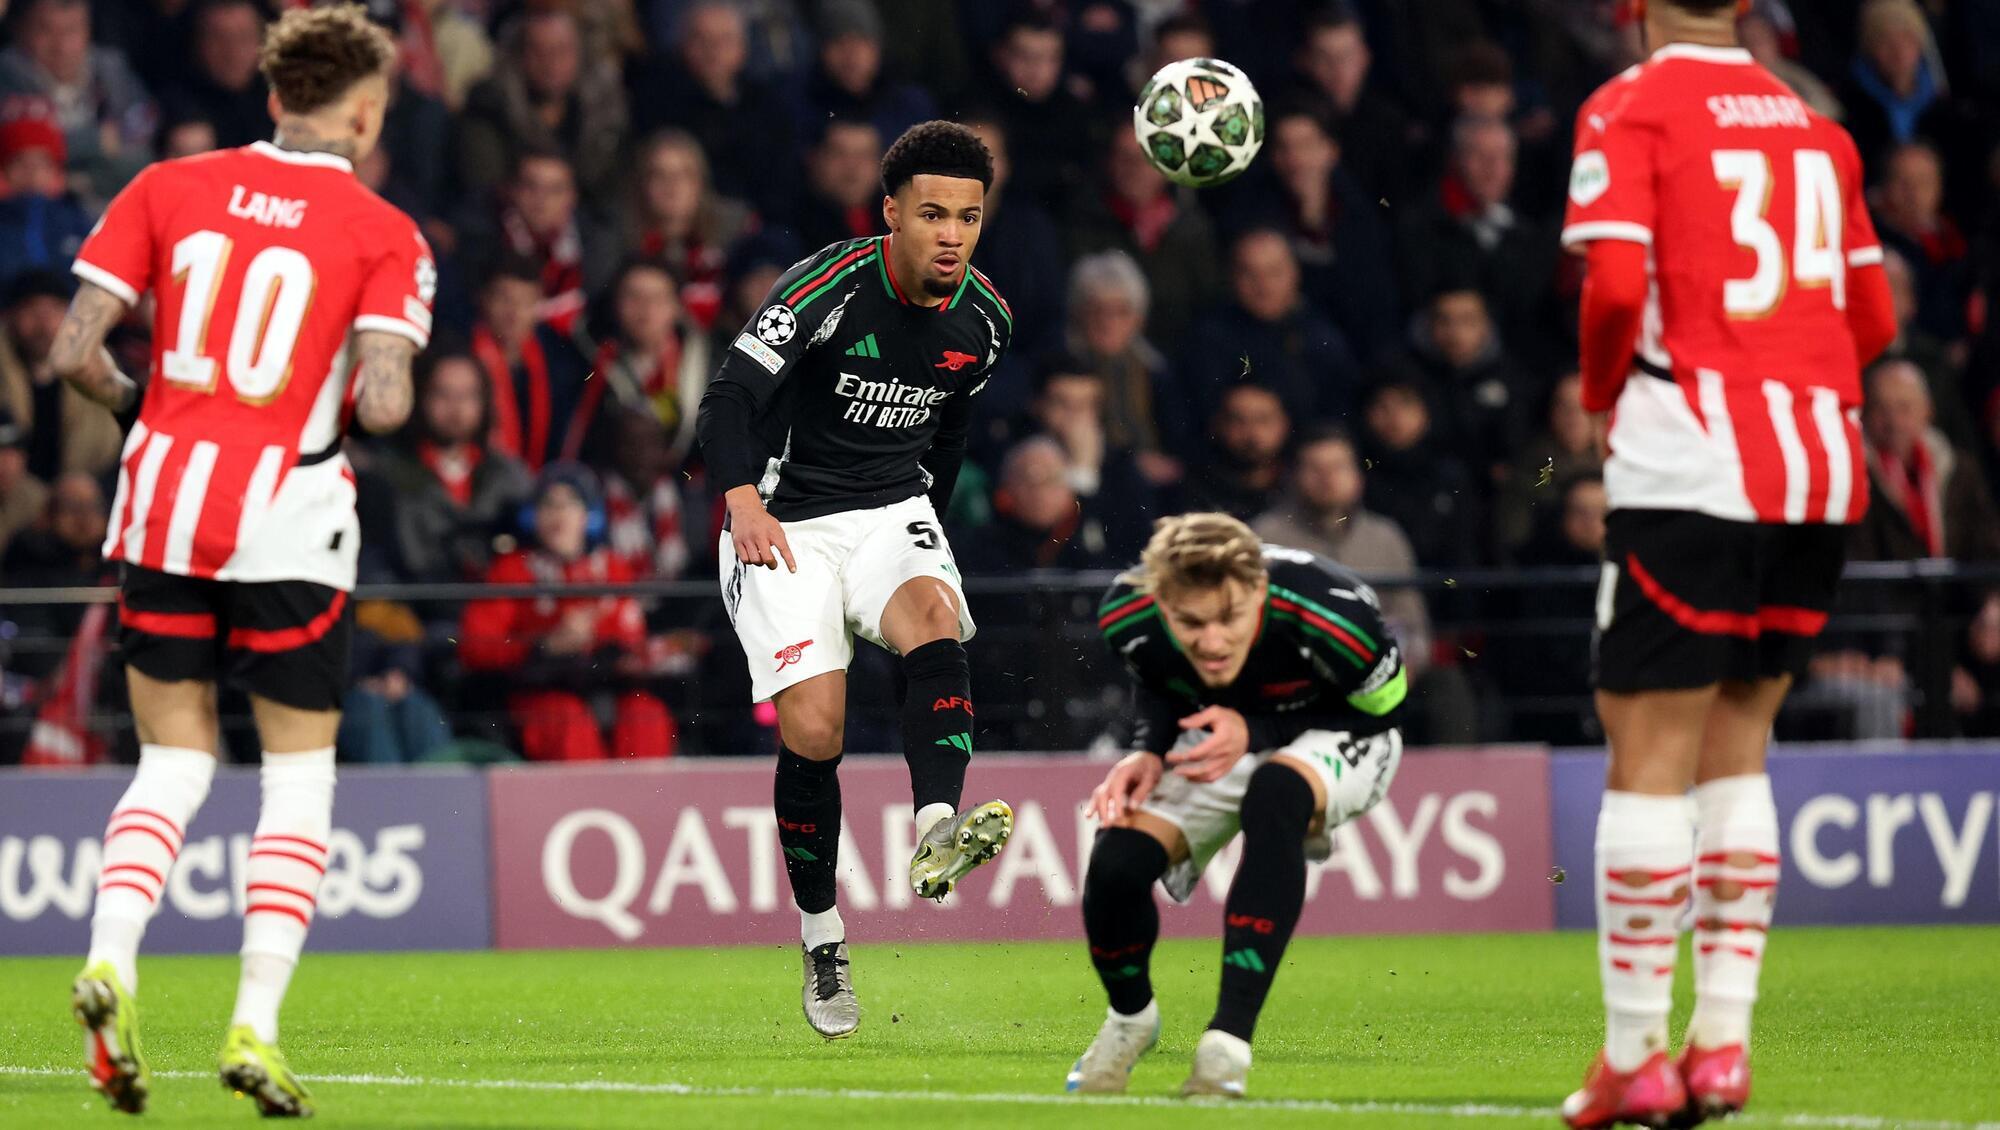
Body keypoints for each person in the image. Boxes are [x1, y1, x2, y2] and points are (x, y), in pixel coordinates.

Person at [51, 7, 431, 1117]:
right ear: (365, 113)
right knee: (296, 778)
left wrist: (147, 413)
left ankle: (111, 958)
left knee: (171, 761)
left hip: (163, 501)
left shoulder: (166, 184)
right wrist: (372, 371)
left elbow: (72, 350)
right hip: (290, 514)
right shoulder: (384, 231)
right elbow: (384, 403)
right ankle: (254, 1023)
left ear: (273, 97)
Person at [1556, 2, 1898, 1125]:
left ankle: (1634, 1055)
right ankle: (1721, 1049)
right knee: (1738, 750)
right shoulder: (1817, 126)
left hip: (1691, 462)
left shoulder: (1626, 107)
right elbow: (1872, 317)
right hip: (1816, 465)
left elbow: (1614, 288)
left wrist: (1602, 397)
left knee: (1648, 753)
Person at [695, 121, 1016, 1040]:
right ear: (891, 214)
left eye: (967, 217)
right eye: (932, 214)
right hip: (782, 518)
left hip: (888, 510)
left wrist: (926, 532)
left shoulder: (986, 322)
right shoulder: (824, 288)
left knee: (936, 618)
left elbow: (950, 430)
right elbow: (728, 398)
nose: (951, 235)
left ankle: (936, 828)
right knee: (815, 729)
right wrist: (740, 502)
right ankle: (822, 936)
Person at [1069, 513, 1405, 1099]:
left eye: (1229, 618)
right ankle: (1130, 1019)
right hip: (1223, 730)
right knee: (1118, 860)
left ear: (1260, 589)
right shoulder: (1127, 611)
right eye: (1190, 623)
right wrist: (1149, 750)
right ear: (1161, 602)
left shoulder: (1333, 610)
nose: (1212, 641)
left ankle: (1227, 1043)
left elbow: (1385, 709)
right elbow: (1161, 679)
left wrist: (1258, 730)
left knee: (1277, 792)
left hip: (1340, 730)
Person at [457, 463, 676, 762]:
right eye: (548, 504)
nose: (558, 514)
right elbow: (476, 646)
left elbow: (632, 639)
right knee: (566, 722)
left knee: (646, 715)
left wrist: (625, 651)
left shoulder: (614, 569)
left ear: (588, 514)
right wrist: (544, 645)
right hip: (539, 691)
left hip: (607, 689)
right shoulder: (511, 570)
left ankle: (647, 795)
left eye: (571, 503)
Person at [0, 268, 121, 482]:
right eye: (31, 311)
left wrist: (93, 485)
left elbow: (118, 446)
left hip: (85, 490)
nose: (43, 324)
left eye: (54, 310)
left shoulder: (101, 372)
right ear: (9, 317)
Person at [1182, 382, 1289, 523]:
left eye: (1263, 420)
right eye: (1238, 420)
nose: (1252, 434)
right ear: (1217, 425)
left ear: (1284, 424)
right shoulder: (1193, 488)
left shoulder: (1300, 486)